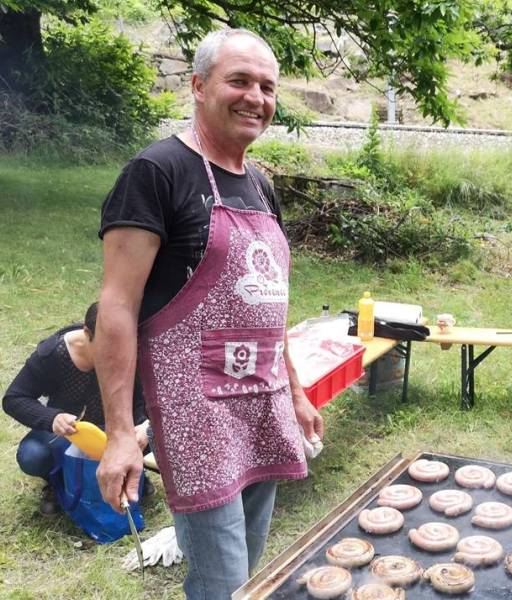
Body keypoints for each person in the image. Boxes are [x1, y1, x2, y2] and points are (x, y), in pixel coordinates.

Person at [95, 28, 324, 598]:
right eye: (239, 81)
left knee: (250, 579)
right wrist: (121, 433)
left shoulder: (261, 186)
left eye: (267, 87)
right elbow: (116, 309)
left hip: (262, 406)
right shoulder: (157, 172)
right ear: (198, 86)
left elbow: (268, 307)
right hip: (197, 421)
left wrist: (294, 393)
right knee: (222, 585)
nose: (256, 98)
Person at [2, 302, 150, 516]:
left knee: (167, 437)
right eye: (106, 347)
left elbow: (157, 398)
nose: (115, 356)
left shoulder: (134, 350)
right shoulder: (54, 353)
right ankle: (58, 483)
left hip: (122, 430)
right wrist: (52, 418)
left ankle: (134, 478)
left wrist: (147, 426)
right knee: (32, 455)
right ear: (86, 332)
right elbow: (14, 398)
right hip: (71, 435)